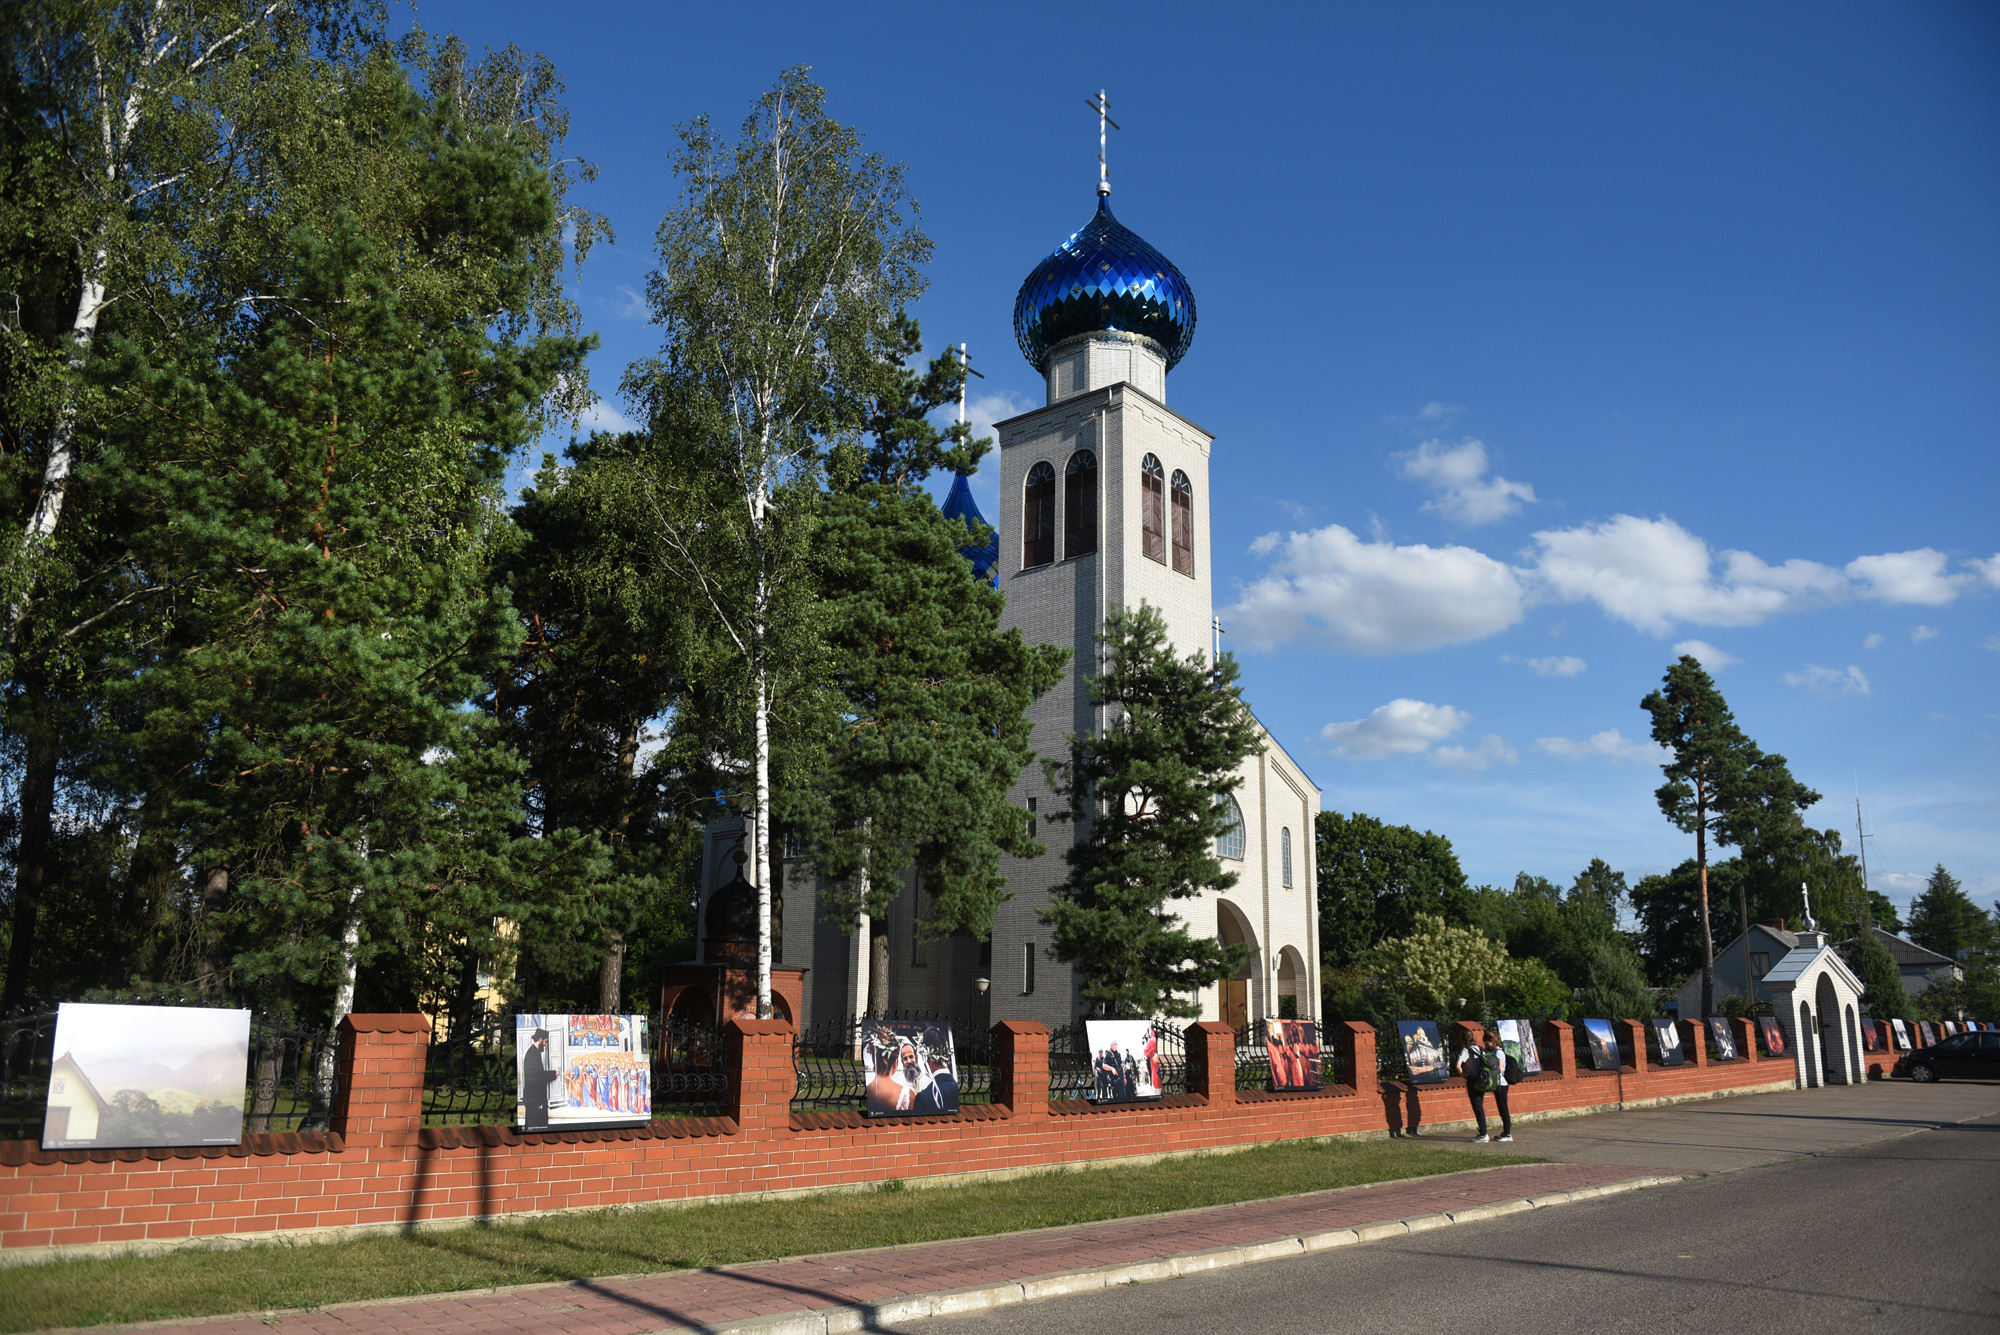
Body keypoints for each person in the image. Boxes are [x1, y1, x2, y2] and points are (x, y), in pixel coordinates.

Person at [1459, 1029, 1512, 1143]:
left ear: (1493, 1041)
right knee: (1501, 1108)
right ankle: (1505, 1133)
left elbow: (1501, 1069)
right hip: (1496, 1083)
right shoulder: (1487, 1051)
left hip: (1501, 1083)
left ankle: (1507, 1133)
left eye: (1488, 1042)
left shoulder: (1498, 1053)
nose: (1486, 1044)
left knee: (1503, 1109)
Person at [522, 1028, 560, 1131]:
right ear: (540, 1039)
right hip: (535, 1098)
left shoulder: (533, 1052)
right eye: (545, 1041)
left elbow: (536, 1075)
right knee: (536, 1130)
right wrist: (538, 1102)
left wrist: (553, 1073)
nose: (546, 1044)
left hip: (534, 1097)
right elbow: (536, 1077)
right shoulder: (533, 1054)